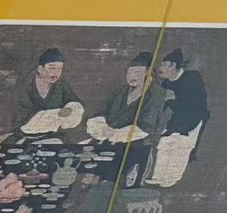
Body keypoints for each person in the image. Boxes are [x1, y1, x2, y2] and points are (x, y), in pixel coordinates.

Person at [86, 51, 161, 188]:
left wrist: (116, 134)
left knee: (111, 169)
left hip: (137, 141)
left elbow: (147, 125)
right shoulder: (121, 91)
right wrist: (102, 126)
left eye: (137, 72)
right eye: (129, 73)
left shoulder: (156, 93)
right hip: (110, 137)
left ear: (147, 72)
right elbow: (103, 112)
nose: (132, 77)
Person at [147, 48, 210, 189]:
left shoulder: (192, 77)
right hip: (177, 117)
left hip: (194, 117)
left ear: (174, 66)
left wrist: (173, 99)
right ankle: (158, 176)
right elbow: (162, 104)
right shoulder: (167, 83)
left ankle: (172, 178)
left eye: (164, 65)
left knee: (181, 145)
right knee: (165, 143)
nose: (161, 68)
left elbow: (196, 102)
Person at [15, 47, 84, 141]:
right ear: (40, 69)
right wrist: (57, 114)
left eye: (59, 69)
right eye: (52, 68)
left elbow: (73, 102)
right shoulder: (26, 85)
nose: (56, 73)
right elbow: (22, 117)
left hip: (53, 135)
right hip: (25, 136)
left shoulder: (61, 84)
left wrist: (71, 108)